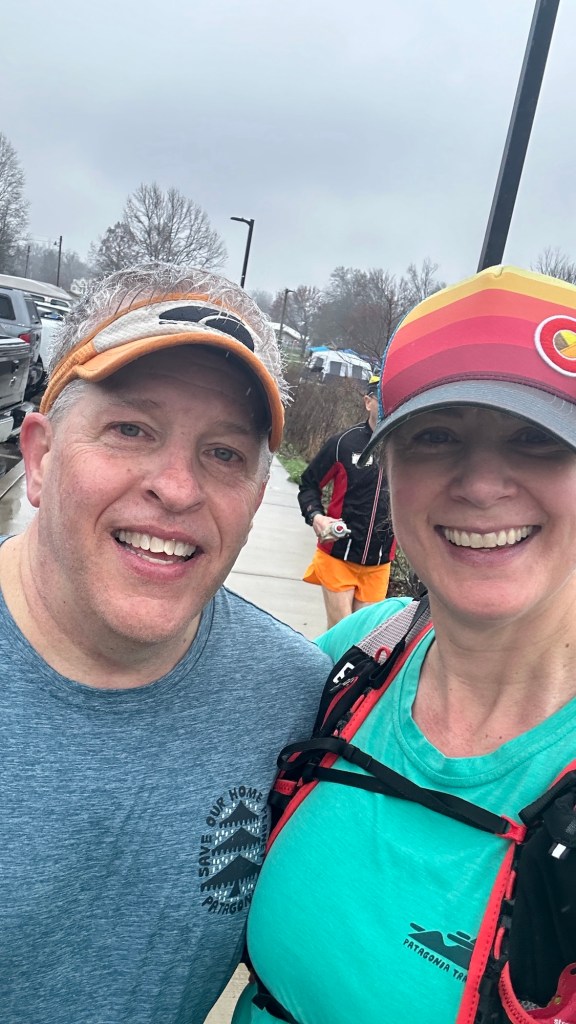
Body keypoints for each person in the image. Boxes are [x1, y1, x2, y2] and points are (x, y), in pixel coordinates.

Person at [234, 265, 576, 1024]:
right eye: (436, 436)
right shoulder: (358, 657)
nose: (481, 485)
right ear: (388, 466)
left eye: (537, 438)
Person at [0, 263, 331, 1023]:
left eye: (224, 453)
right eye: (131, 429)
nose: (177, 488)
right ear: (41, 456)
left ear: (257, 494)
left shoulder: (292, 699)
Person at [297, 375, 396, 628]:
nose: (387, 405)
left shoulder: (406, 448)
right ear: (368, 402)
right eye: (381, 398)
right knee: (342, 631)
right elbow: (308, 484)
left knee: (364, 637)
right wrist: (316, 517)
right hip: (339, 555)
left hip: (379, 562)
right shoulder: (343, 444)